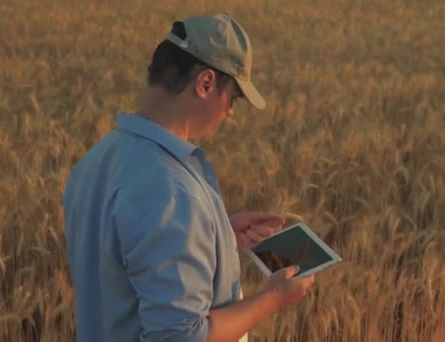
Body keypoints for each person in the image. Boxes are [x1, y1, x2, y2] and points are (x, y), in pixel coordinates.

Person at [63, 13, 315, 342]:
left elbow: (128, 260)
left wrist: (216, 234)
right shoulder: (173, 193)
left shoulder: (96, 161)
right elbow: (181, 337)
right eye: (234, 97)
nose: (231, 112)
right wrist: (272, 298)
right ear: (205, 82)